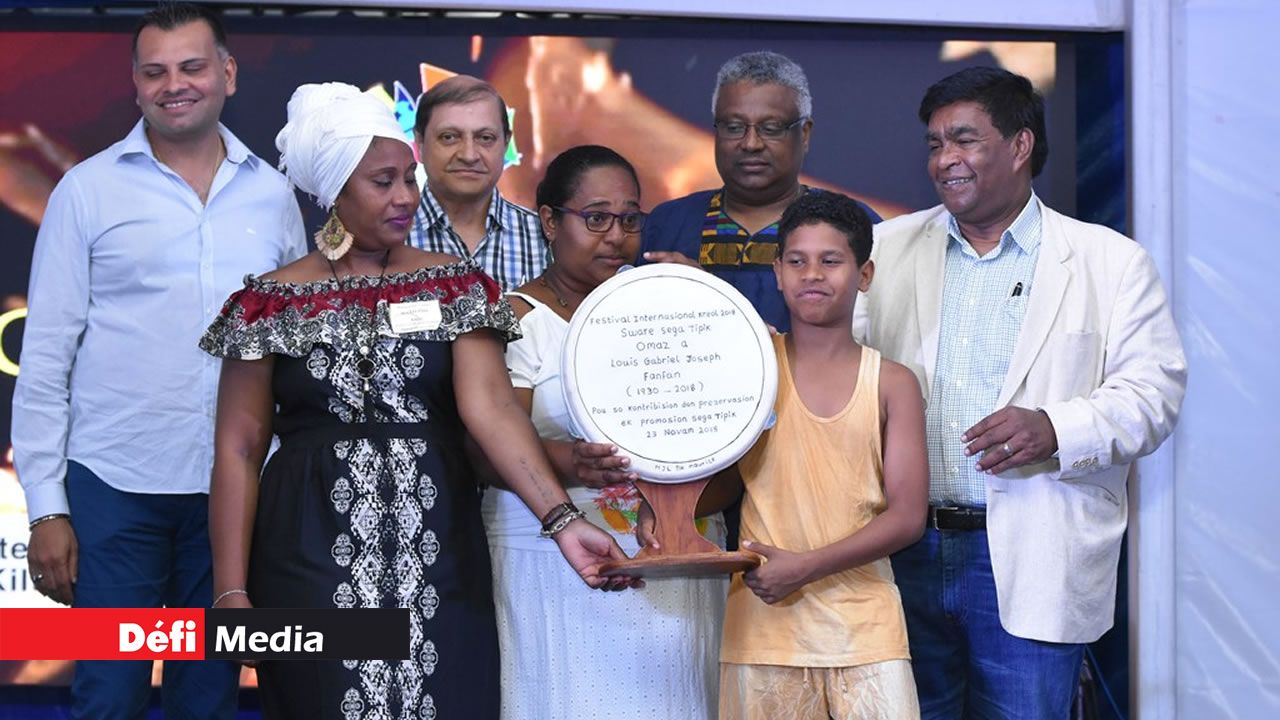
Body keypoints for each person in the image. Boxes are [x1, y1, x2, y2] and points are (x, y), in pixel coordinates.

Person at [201, 83, 631, 720]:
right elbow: (237, 449)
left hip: (438, 546)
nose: (405, 196)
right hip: (307, 550)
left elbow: (492, 411)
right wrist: (231, 589)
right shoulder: (268, 303)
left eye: (408, 177)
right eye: (382, 182)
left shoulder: (454, 287)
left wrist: (563, 522)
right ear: (335, 192)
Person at [853, 66, 1187, 718]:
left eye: (965, 140)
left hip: (1035, 554)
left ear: (1020, 145)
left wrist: (1056, 427)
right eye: (934, 144)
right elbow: (833, 368)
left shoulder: (1109, 262)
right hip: (903, 550)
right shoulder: (885, 248)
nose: (944, 160)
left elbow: (1155, 393)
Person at [13, 4, 306, 717]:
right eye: (156, 72)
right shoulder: (87, 190)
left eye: (192, 66)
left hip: (233, 498)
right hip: (115, 488)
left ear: (228, 74)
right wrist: (46, 508)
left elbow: (296, 355)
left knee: (205, 699)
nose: (175, 84)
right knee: (107, 697)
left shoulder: (272, 195)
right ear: (137, 85)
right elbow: (45, 356)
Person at [635, 189, 928, 719]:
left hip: (867, 629)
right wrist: (659, 509)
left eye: (830, 260)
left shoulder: (893, 382)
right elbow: (704, 465)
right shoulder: (750, 364)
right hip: (764, 629)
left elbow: (907, 518)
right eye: (797, 260)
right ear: (776, 272)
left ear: (864, 275)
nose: (812, 274)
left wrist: (805, 567)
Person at [479, 145, 727, 719]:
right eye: (596, 218)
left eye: (630, 219)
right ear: (548, 220)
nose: (616, 236)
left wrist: (709, 307)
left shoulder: (669, 309)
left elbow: (731, 439)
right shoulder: (514, 319)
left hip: (670, 556)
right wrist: (569, 462)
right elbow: (482, 452)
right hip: (553, 564)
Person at [639, 50, 882, 333]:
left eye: (771, 128)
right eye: (734, 127)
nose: (751, 143)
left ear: (804, 134)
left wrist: (711, 302)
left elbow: (876, 340)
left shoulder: (854, 224)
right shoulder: (668, 224)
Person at [408, 74, 545, 291]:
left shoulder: (545, 238)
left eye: (485, 138)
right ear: (420, 144)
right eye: (449, 137)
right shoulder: (384, 238)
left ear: (506, 143)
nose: (469, 155)